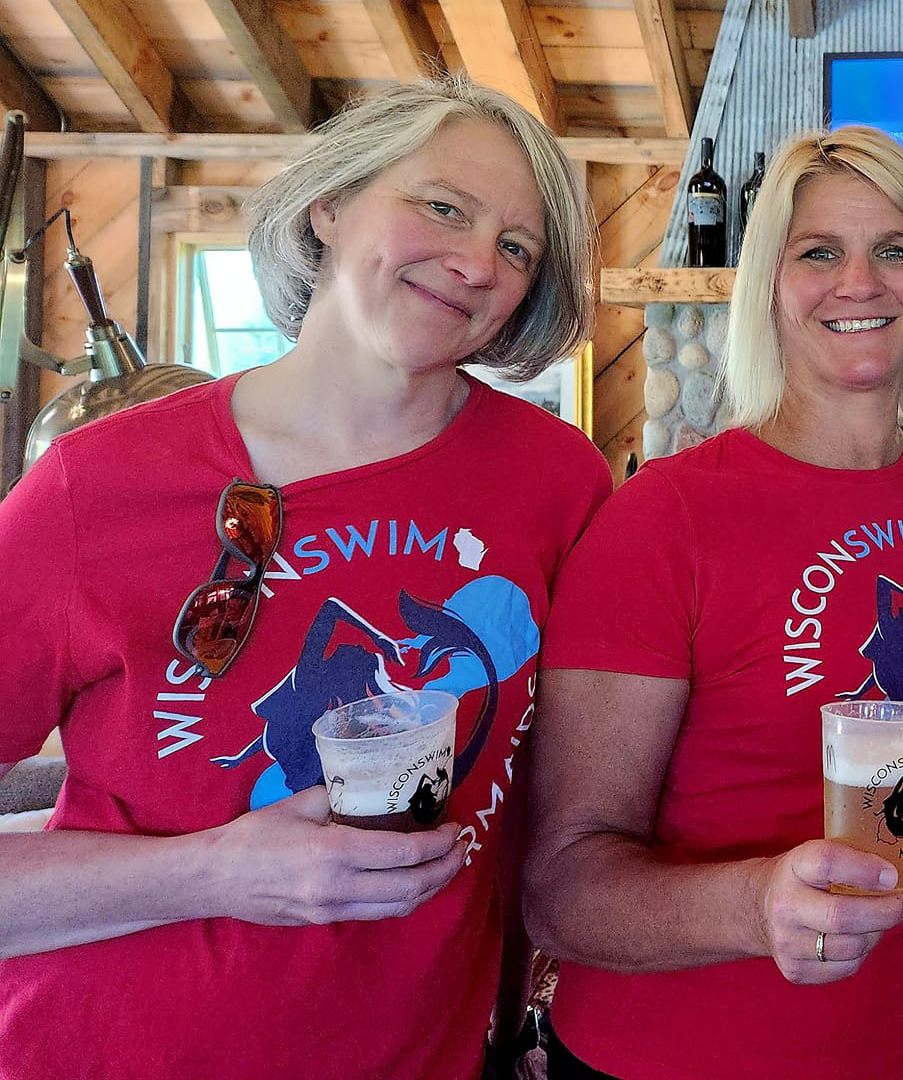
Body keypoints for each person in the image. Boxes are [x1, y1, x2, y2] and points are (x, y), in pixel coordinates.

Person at [0, 75, 614, 1080]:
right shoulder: (96, 483)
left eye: (516, 246)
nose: (471, 261)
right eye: (443, 205)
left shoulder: (558, 485)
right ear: (329, 204)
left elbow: (569, 797)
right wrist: (211, 870)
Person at [522, 126, 903, 1080]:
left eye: (895, 250)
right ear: (767, 283)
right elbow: (562, 886)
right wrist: (757, 905)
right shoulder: (663, 517)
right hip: (701, 1055)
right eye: (819, 252)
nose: (860, 282)